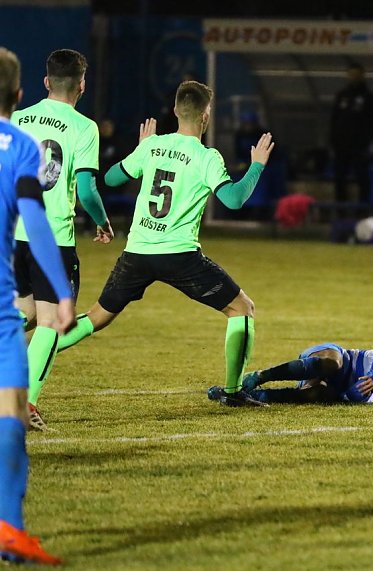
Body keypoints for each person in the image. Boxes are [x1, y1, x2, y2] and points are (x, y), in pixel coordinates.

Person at [51, 80, 275, 407]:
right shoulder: (206, 156)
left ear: (174, 111)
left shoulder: (153, 146)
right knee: (242, 309)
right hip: (179, 256)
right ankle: (233, 392)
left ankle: (35, 352)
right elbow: (234, 199)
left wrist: (141, 149)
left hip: (138, 252)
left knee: (96, 317)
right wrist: (257, 165)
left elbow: (111, 178)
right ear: (205, 116)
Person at [10, 49, 113, 430]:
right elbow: (86, 189)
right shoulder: (85, 128)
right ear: (82, 85)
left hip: (15, 231)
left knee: (25, 312)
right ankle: (27, 404)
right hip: (52, 236)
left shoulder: (18, 118)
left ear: (46, 82)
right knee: (51, 323)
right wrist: (102, 221)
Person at [0, 45, 74, 566]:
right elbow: (37, 217)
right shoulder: (22, 147)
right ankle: (12, 532)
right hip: (5, 309)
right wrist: (63, 292)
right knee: (10, 419)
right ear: (20, 93)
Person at [208, 333, 373, 405]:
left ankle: (252, 397)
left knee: (318, 395)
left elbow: (353, 396)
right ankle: (259, 377)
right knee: (332, 363)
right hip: (338, 355)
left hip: (334, 387)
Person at [329, 62, 373, 204]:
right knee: (340, 177)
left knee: (362, 176)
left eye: (357, 75)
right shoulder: (342, 96)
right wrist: (333, 140)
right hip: (341, 145)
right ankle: (340, 209)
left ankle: (363, 208)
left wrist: (367, 140)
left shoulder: (368, 97)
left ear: (362, 76)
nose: (354, 78)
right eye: (351, 75)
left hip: (360, 145)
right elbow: (334, 119)